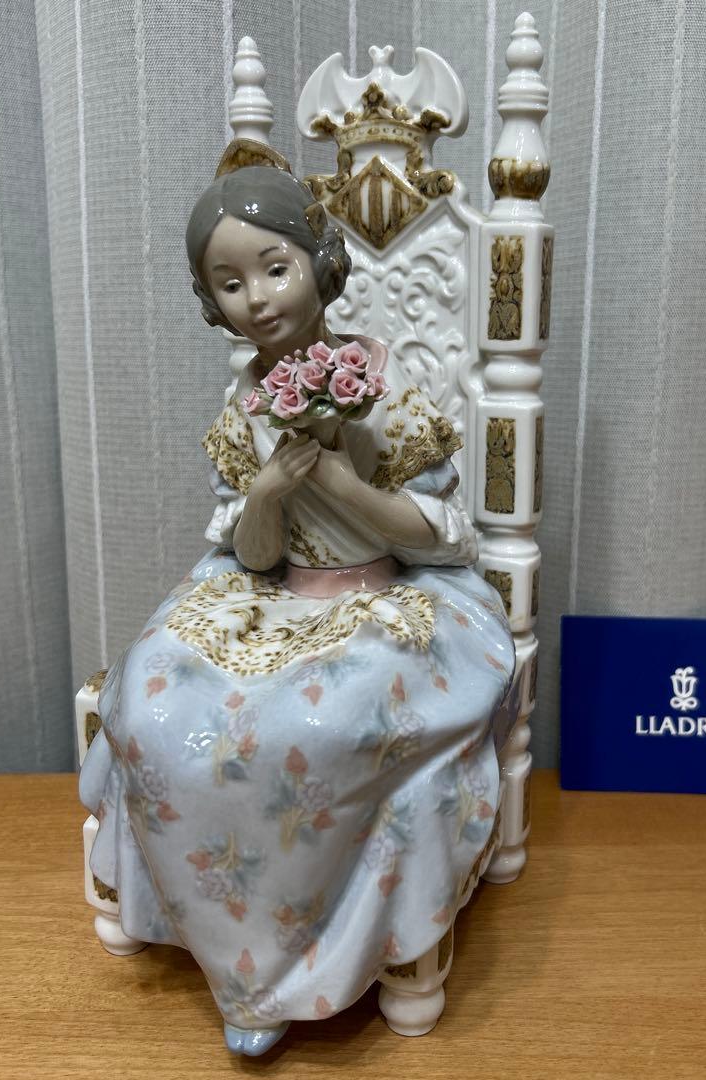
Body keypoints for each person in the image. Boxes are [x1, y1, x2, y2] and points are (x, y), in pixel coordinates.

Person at [79, 160, 516, 1056]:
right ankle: (226, 944)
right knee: (154, 701)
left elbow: (442, 538)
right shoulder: (243, 408)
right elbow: (253, 554)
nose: (258, 298)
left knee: (327, 728)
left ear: (319, 262)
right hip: (273, 591)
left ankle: (297, 957)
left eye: (274, 268)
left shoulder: (382, 384)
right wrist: (270, 491)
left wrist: (342, 482)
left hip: (385, 591)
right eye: (229, 282)